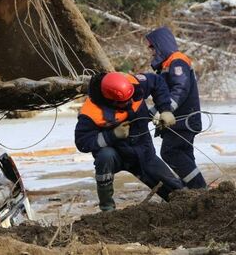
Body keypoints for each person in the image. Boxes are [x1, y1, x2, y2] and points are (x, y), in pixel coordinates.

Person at [75, 71, 184, 211]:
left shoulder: (135, 83)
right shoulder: (91, 113)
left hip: (143, 151)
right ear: (111, 100)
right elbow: (82, 143)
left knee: (174, 188)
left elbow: (158, 82)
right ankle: (107, 209)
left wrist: (165, 109)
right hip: (116, 155)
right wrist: (112, 135)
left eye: (131, 98)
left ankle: (181, 206)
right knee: (104, 156)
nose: (130, 102)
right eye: (125, 102)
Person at [145, 27, 206, 189]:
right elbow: (163, 97)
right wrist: (147, 114)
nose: (150, 50)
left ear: (160, 45)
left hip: (184, 120)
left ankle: (199, 188)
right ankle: (195, 190)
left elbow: (180, 89)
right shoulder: (165, 65)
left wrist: (166, 111)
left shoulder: (177, 61)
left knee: (170, 152)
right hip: (178, 122)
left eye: (152, 46)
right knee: (184, 155)